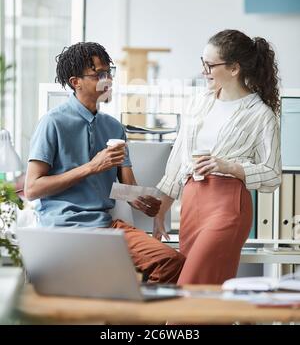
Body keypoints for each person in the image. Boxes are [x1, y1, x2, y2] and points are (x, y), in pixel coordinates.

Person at [25, 42, 184, 283]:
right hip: (63, 230)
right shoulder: (53, 123)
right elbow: (32, 188)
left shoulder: (114, 128)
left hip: (105, 228)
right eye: (99, 74)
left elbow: (127, 188)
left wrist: (143, 202)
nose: (107, 79)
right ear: (75, 82)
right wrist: (91, 167)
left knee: (171, 261)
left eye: (109, 72)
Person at [153, 29, 281, 285]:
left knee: (190, 289)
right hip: (192, 203)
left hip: (227, 206)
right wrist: (161, 210)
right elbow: (178, 159)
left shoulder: (260, 114)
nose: (204, 71)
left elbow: (273, 174)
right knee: (201, 293)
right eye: (203, 63)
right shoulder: (198, 103)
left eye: (210, 65)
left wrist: (230, 166)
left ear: (234, 68)